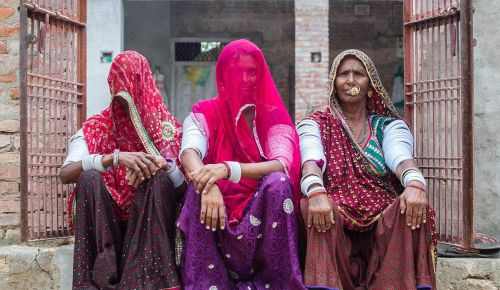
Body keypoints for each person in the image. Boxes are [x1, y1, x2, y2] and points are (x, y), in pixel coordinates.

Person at [297, 49, 437, 289]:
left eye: (358, 74)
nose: (350, 80)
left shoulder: (388, 126)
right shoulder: (316, 124)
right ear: (334, 82)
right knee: (311, 204)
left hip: (383, 221)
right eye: (343, 74)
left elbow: (401, 158)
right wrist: (316, 192)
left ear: (370, 84)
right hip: (335, 217)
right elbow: (312, 161)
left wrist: (415, 184)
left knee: (414, 204)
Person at [177, 39, 305, 289]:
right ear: (224, 75)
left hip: (261, 209)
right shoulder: (204, 112)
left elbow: (282, 164)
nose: (246, 79)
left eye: (252, 72)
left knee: (278, 183)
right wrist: (207, 184)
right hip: (215, 209)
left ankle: (275, 283)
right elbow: (189, 152)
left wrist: (227, 169)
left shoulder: (273, 116)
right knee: (196, 185)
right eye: (238, 72)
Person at [59, 51, 184, 289]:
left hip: (150, 226)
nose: (127, 93)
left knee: (158, 179)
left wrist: (160, 165)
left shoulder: (166, 129)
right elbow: (66, 174)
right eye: (121, 84)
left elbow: (182, 191)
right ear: (112, 86)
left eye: (134, 82)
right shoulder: (95, 128)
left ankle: (149, 282)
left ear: (145, 83)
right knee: (89, 178)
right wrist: (113, 159)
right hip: (106, 224)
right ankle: (96, 280)